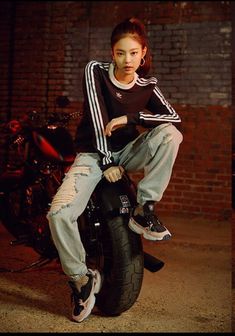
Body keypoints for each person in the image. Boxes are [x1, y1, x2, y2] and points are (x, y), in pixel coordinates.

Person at [47, 17, 183, 323]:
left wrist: (131, 119)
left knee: (170, 135)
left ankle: (144, 209)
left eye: (134, 53)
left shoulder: (147, 85)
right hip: (93, 156)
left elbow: (174, 118)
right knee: (58, 215)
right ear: (112, 53)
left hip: (128, 152)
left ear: (143, 53)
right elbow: (98, 119)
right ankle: (81, 280)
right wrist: (106, 160)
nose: (127, 60)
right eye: (121, 53)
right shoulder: (95, 71)